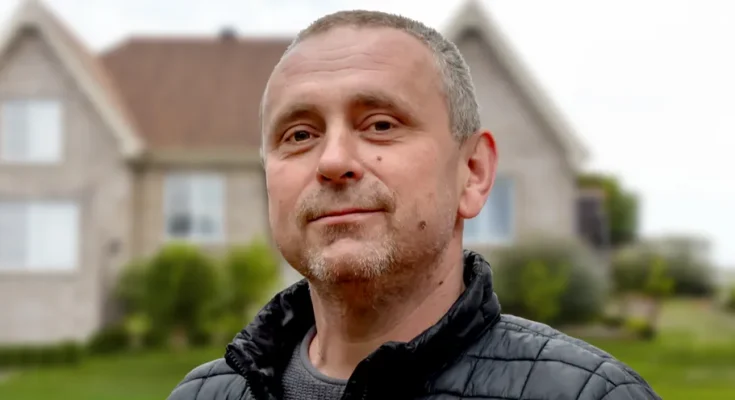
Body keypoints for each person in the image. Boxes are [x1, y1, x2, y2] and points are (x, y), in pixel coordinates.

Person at [167, 9, 660, 400]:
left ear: (473, 172)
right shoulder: (200, 396)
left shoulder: (590, 396)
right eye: (300, 134)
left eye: (380, 124)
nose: (333, 160)